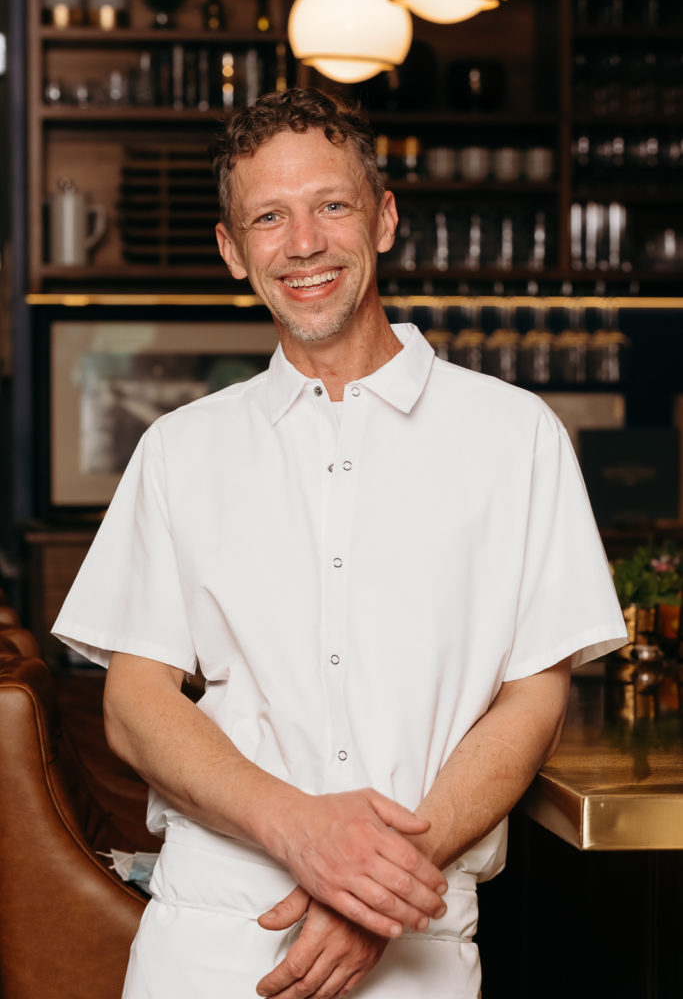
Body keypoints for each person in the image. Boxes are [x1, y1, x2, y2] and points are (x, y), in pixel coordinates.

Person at [53, 88, 627, 999]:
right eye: (267, 218)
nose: (303, 243)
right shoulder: (180, 448)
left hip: (413, 936)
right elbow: (132, 699)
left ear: (384, 218)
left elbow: (533, 699)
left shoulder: (514, 435)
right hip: (210, 933)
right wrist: (300, 832)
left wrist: (372, 885)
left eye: (331, 205)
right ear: (232, 251)